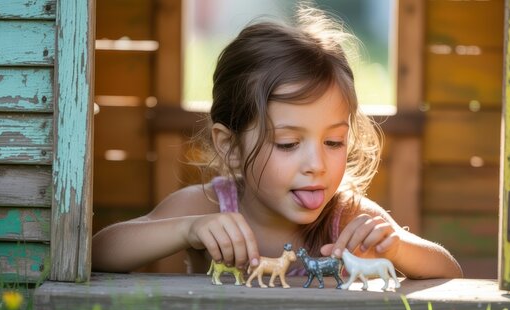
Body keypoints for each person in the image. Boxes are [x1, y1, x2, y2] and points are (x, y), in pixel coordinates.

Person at [92, 7, 463, 279]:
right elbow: (98, 253)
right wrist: (186, 229)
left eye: (333, 141)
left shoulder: (345, 216)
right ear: (231, 147)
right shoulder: (209, 205)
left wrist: (397, 246)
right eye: (288, 144)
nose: (316, 164)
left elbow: (450, 273)